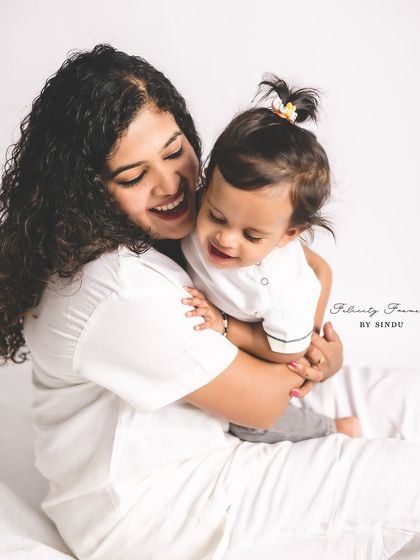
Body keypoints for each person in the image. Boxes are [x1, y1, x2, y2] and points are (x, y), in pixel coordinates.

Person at [1, 44, 420, 560]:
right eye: (133, 176)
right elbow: (264, 405)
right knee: (409, 484)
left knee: (408, 397)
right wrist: (303, 355)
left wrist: (305, 347)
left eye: (175, 150)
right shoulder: (115, 287)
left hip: (233, 417)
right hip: (172, 508)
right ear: (86, 188)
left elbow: (316, 267)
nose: (172, 183)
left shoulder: (189, 222)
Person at [181, 76, 361, 443]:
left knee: (249, 421)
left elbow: (290, 350)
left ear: (289, 235)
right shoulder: (200, 203)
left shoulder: (280, 291)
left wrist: (228, 326)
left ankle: (333, 428)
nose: (225, 239)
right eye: (216, 215)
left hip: (272, 345)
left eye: (252, 236)